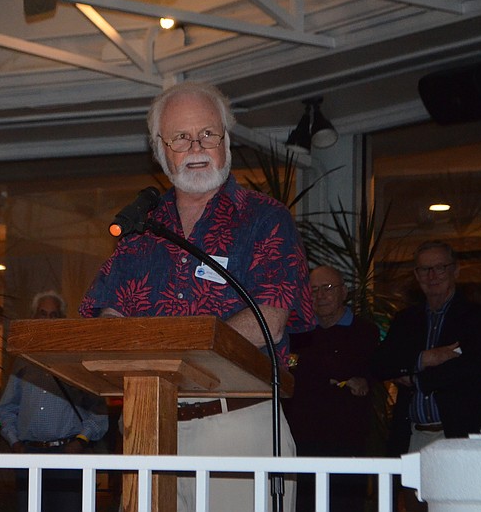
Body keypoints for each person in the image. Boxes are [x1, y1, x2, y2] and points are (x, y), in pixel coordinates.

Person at [79, 80, 315, 512]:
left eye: (208, 133)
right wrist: (117, 339)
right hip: (149, 426)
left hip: (237, 425)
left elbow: (270, 318)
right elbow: (107, 314)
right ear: (160, 149)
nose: (196, 147)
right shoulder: (141, 229)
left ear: (227, 141)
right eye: (181, 137)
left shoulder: (265, 217)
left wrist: (177, 364)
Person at [372, 240, 481, 511]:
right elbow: (381, 364)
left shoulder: (477, 317)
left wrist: (416, 379)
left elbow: (472, 370)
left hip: (458, 436)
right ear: (416, 276)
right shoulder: (406, 320)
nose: (432, 276)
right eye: (425, 269)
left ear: (455, 270)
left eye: (440, 268)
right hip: (414, 436)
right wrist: (425, 358)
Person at [0, 291, 109, 512]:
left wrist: (80, 441)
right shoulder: (23, 360)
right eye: (42, 314)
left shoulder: (75, 361)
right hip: (29, 455)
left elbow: (98, 410)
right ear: (33, 317)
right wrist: (15, 442)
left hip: (67, 454)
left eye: (53, 315)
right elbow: (6, 408)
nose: (47, 320)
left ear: (61, 319)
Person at [283, 265, 379, 511]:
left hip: (347, 445)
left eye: (327, 288)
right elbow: (292, 375)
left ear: (344, 292)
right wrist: (338, 379)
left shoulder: (365, 331)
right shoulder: (298, 333)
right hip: (302, 443)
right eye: (313, 290)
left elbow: (361, 373)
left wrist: (314, 371)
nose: (320, 296)